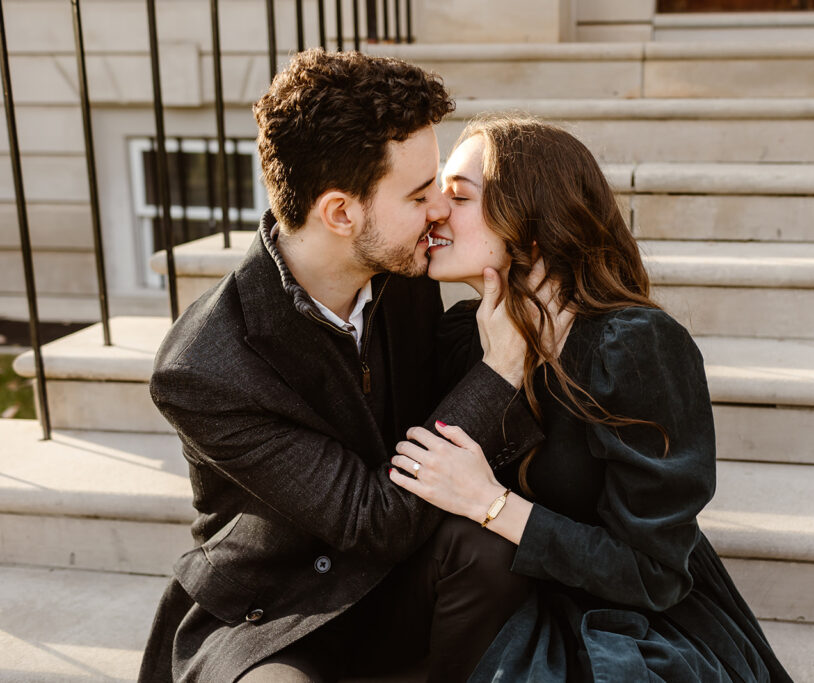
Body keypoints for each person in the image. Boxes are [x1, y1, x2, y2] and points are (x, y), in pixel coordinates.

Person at [138, 52, 548, 683]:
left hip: (405, 575)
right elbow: (372, 519)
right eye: (419, 193)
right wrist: (498, 372)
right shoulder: (202, 369)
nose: (441, 207)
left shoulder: (402, 270)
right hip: (274, 608)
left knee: (493, 553)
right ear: (340, 213)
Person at [389, 115, 793, 682]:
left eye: (458, 196)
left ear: (530, 224)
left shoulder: (634, 348)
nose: (435, 212)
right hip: (506, 594)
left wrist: (491, 503)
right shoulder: (465, 334)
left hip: (631, 616)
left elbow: (654, 574)